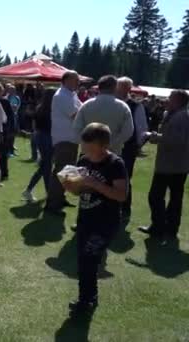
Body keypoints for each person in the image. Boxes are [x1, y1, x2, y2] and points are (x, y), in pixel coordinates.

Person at [62, 123, 128, 316]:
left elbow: (121, 195)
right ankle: (89, 297)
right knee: (83, 260)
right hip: (85, 219)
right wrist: (69, 185)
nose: (85, 151)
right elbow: (78, 191)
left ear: (103, 146)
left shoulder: (115, 164)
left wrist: (96, 184)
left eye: (89, 148)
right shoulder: (83, 161)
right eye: (84, 146)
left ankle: (86, 301)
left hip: (105, 222)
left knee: (90, 259)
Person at [138, 90, 189, 244]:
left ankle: (161, 228)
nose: (167, 100)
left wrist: (152, 136)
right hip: (175, 165)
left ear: (179, 101)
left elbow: (177, 140)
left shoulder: (182, 117)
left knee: (157, 196)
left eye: (170, 98)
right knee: (172, 198)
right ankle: (166, 228)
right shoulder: (175, 114)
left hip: (172, 165)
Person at [45, 71, 82, 216]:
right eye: (75, 80)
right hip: (64, 138)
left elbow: (81, 108)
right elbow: (77, 114)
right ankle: (53, 204)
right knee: (61, 172)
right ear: (66, 80)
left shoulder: (70, 94)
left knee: (68, 171)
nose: (78, 82)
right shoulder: (62, 96)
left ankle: (60, 198)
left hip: (71, 138)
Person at [116, 77, 148, 225]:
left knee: (125, 177)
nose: (119, 89)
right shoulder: (113, 103)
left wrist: (137, 145)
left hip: (128, 148)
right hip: (111, 146)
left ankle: (125, 208)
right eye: (118, 86)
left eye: (122, 86)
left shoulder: (136, 106)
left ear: (128, 89)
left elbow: (142, 128)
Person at [73, 75, 134, 155]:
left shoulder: (86, 105)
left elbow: (77, 128)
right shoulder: (123, 107)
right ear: (115, 88)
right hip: (112, 153)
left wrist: (88, 144)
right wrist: (110, 144)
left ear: (99, 87)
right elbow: (128, 132)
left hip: (88, 153)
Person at [22, 89, 56, 202]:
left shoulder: (40, 107)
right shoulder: (52, 110)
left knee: (44, 167)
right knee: (46, 167)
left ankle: (30, 190)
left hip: (40, 136)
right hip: (47, 138)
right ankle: (48, 193)